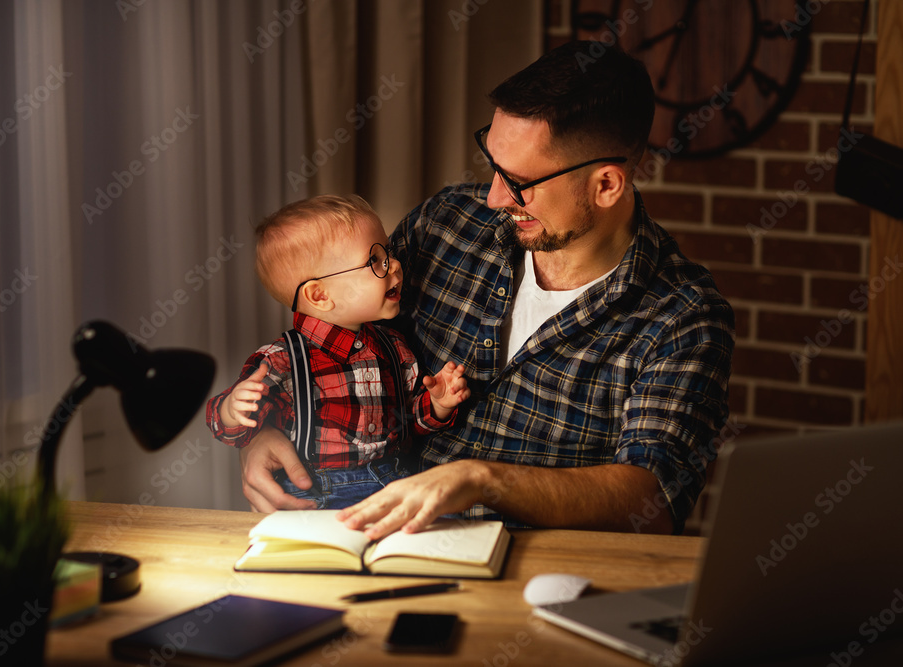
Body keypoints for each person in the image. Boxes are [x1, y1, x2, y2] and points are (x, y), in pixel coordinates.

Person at [239, 41, 734, 539]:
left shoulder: (683, 317)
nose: (495, 196)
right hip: (366, 539)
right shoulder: (446, 223)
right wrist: (266, 431)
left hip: (531, 582)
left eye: (519, 182)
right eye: (493, 163)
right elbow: (335, 333)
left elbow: (651, 499)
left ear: (605, 185)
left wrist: (481, 479)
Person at [207, 195, 470, 509]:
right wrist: (231, 410)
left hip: (393, 482)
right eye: (374, 260)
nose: (395, 265)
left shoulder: (393, 346)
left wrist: (437, 404)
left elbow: (407, 422)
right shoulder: (281, 360)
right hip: (317, 491)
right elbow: (233, 429)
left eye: (387, 252)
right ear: (319, 295)